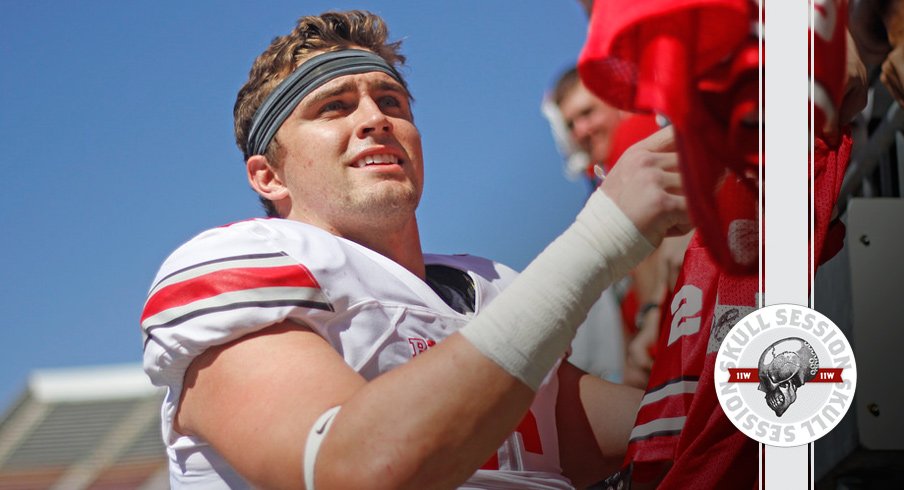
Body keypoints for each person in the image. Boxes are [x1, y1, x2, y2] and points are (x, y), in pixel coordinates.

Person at [140, 10, 691, 489]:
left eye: (390, 101)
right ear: (268, 177)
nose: (375, 119)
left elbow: (666, 433)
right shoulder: (246, 261)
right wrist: (603, 234)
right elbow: (352, 471)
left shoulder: (492, 287)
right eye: (333, 107)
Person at [549, 67, 692, 389]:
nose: (581, 129)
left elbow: (654, 232)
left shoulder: (634, 138)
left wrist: (651, 321)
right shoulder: (600, 172)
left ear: (618, 105)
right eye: (571, 123)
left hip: (670, 329)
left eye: (587, 113)